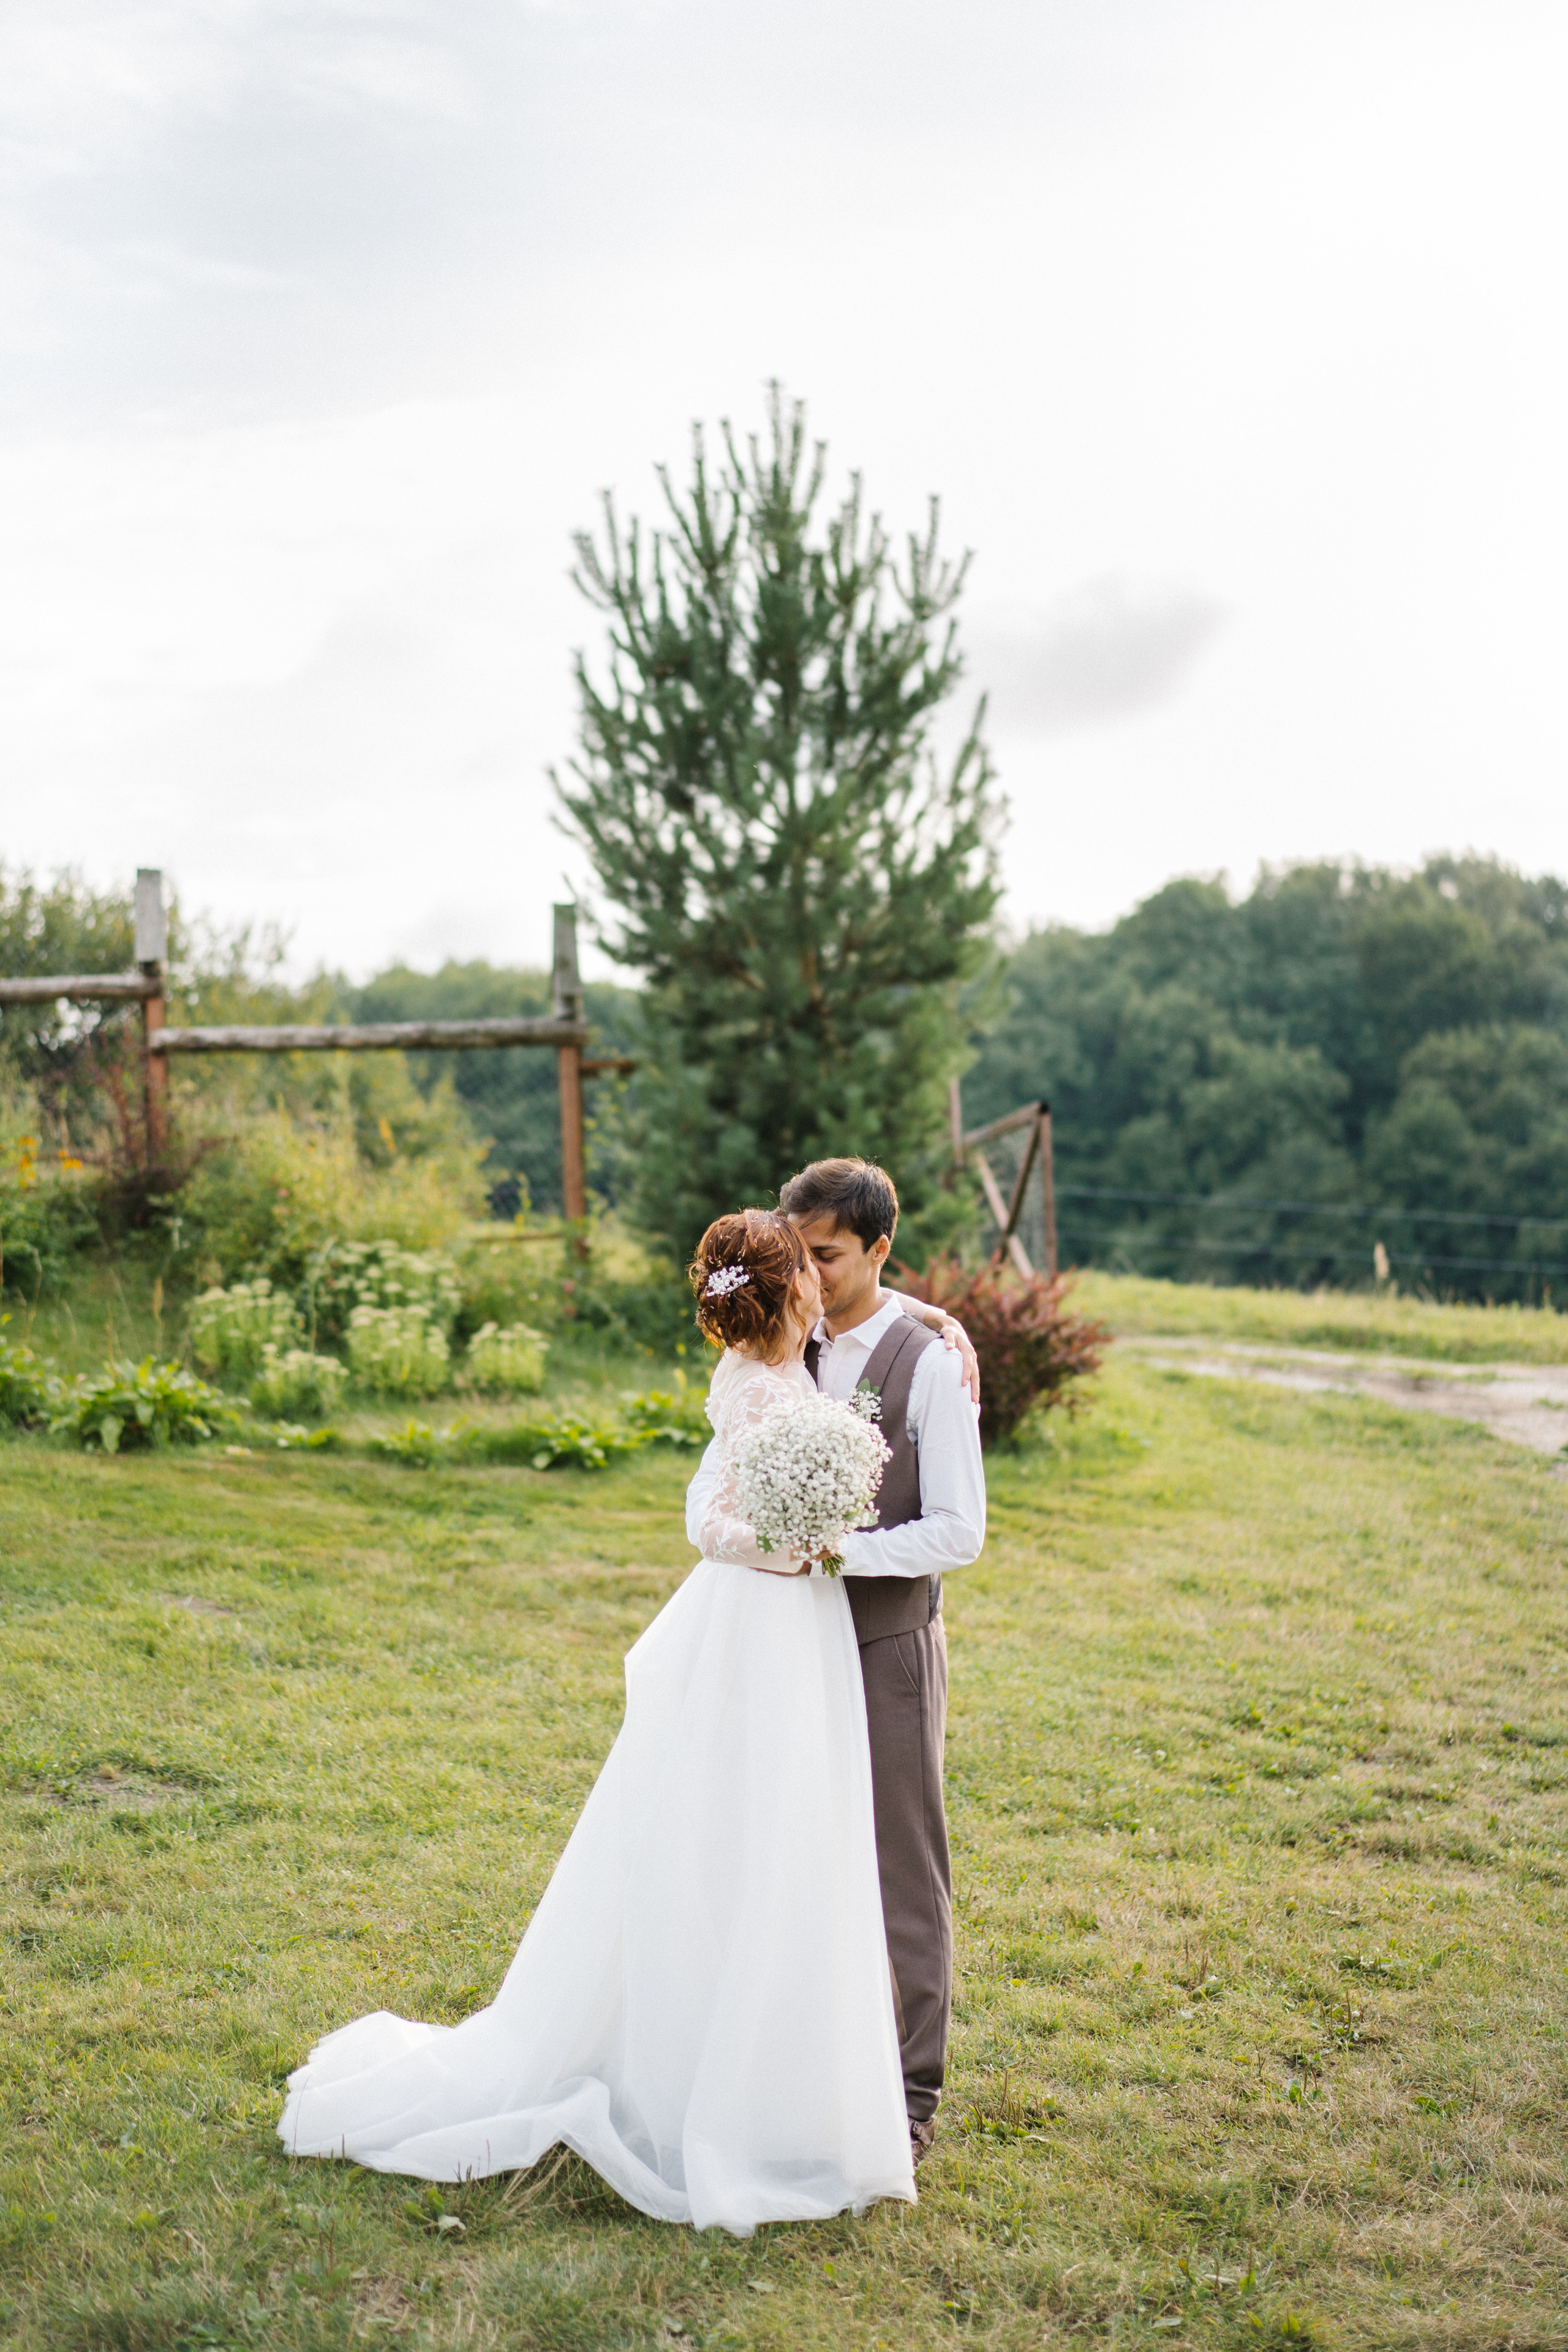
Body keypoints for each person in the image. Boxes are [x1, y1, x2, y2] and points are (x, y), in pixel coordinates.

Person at [278, 1210, 915, 2234]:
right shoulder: (754, 1384)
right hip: (759, 1623)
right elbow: (708, 1518)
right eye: (809, 1271)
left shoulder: (793, 1363)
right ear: (790, 1287)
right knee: (731, 1833)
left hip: (797, 1630)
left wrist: (947, 1327)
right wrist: (787, 1546)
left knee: (786, 1834)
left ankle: (779, 2079)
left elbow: (885, 1304)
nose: (821, 1287)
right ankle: (709, 2093)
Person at [685, 1159, 985, 2166]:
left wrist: (838, 1553)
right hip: (777, 1651)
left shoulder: (929, 1360)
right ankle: (796, 2064)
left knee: (902, 1864)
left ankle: (907, 2093)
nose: (806, 1276)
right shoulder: (773, 1343)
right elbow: (710, 1492)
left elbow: (959, 1529)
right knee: (782, 1851)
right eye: (797, 1254)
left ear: (879, 1252)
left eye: (826, 1257)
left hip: (885, 1640)